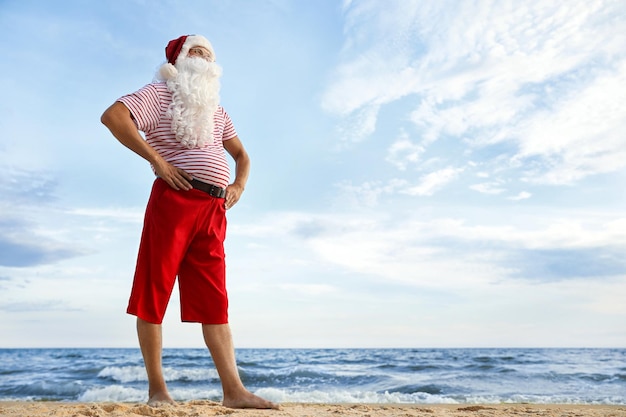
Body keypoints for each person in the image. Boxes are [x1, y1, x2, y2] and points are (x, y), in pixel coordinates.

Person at [100, 34, 278, 410]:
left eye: (208, 53)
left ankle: (234, 392)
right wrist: (158, 162)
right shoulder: (158, 92)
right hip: (174, 202)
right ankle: (157, 391)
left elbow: (243, 155)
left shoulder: (218, 110)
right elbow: (114, 117)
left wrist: (239, 185)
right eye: (194, 51)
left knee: (215, 301)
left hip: (214, 211)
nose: (202, 56)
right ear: (178, 60)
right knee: (154, 293)